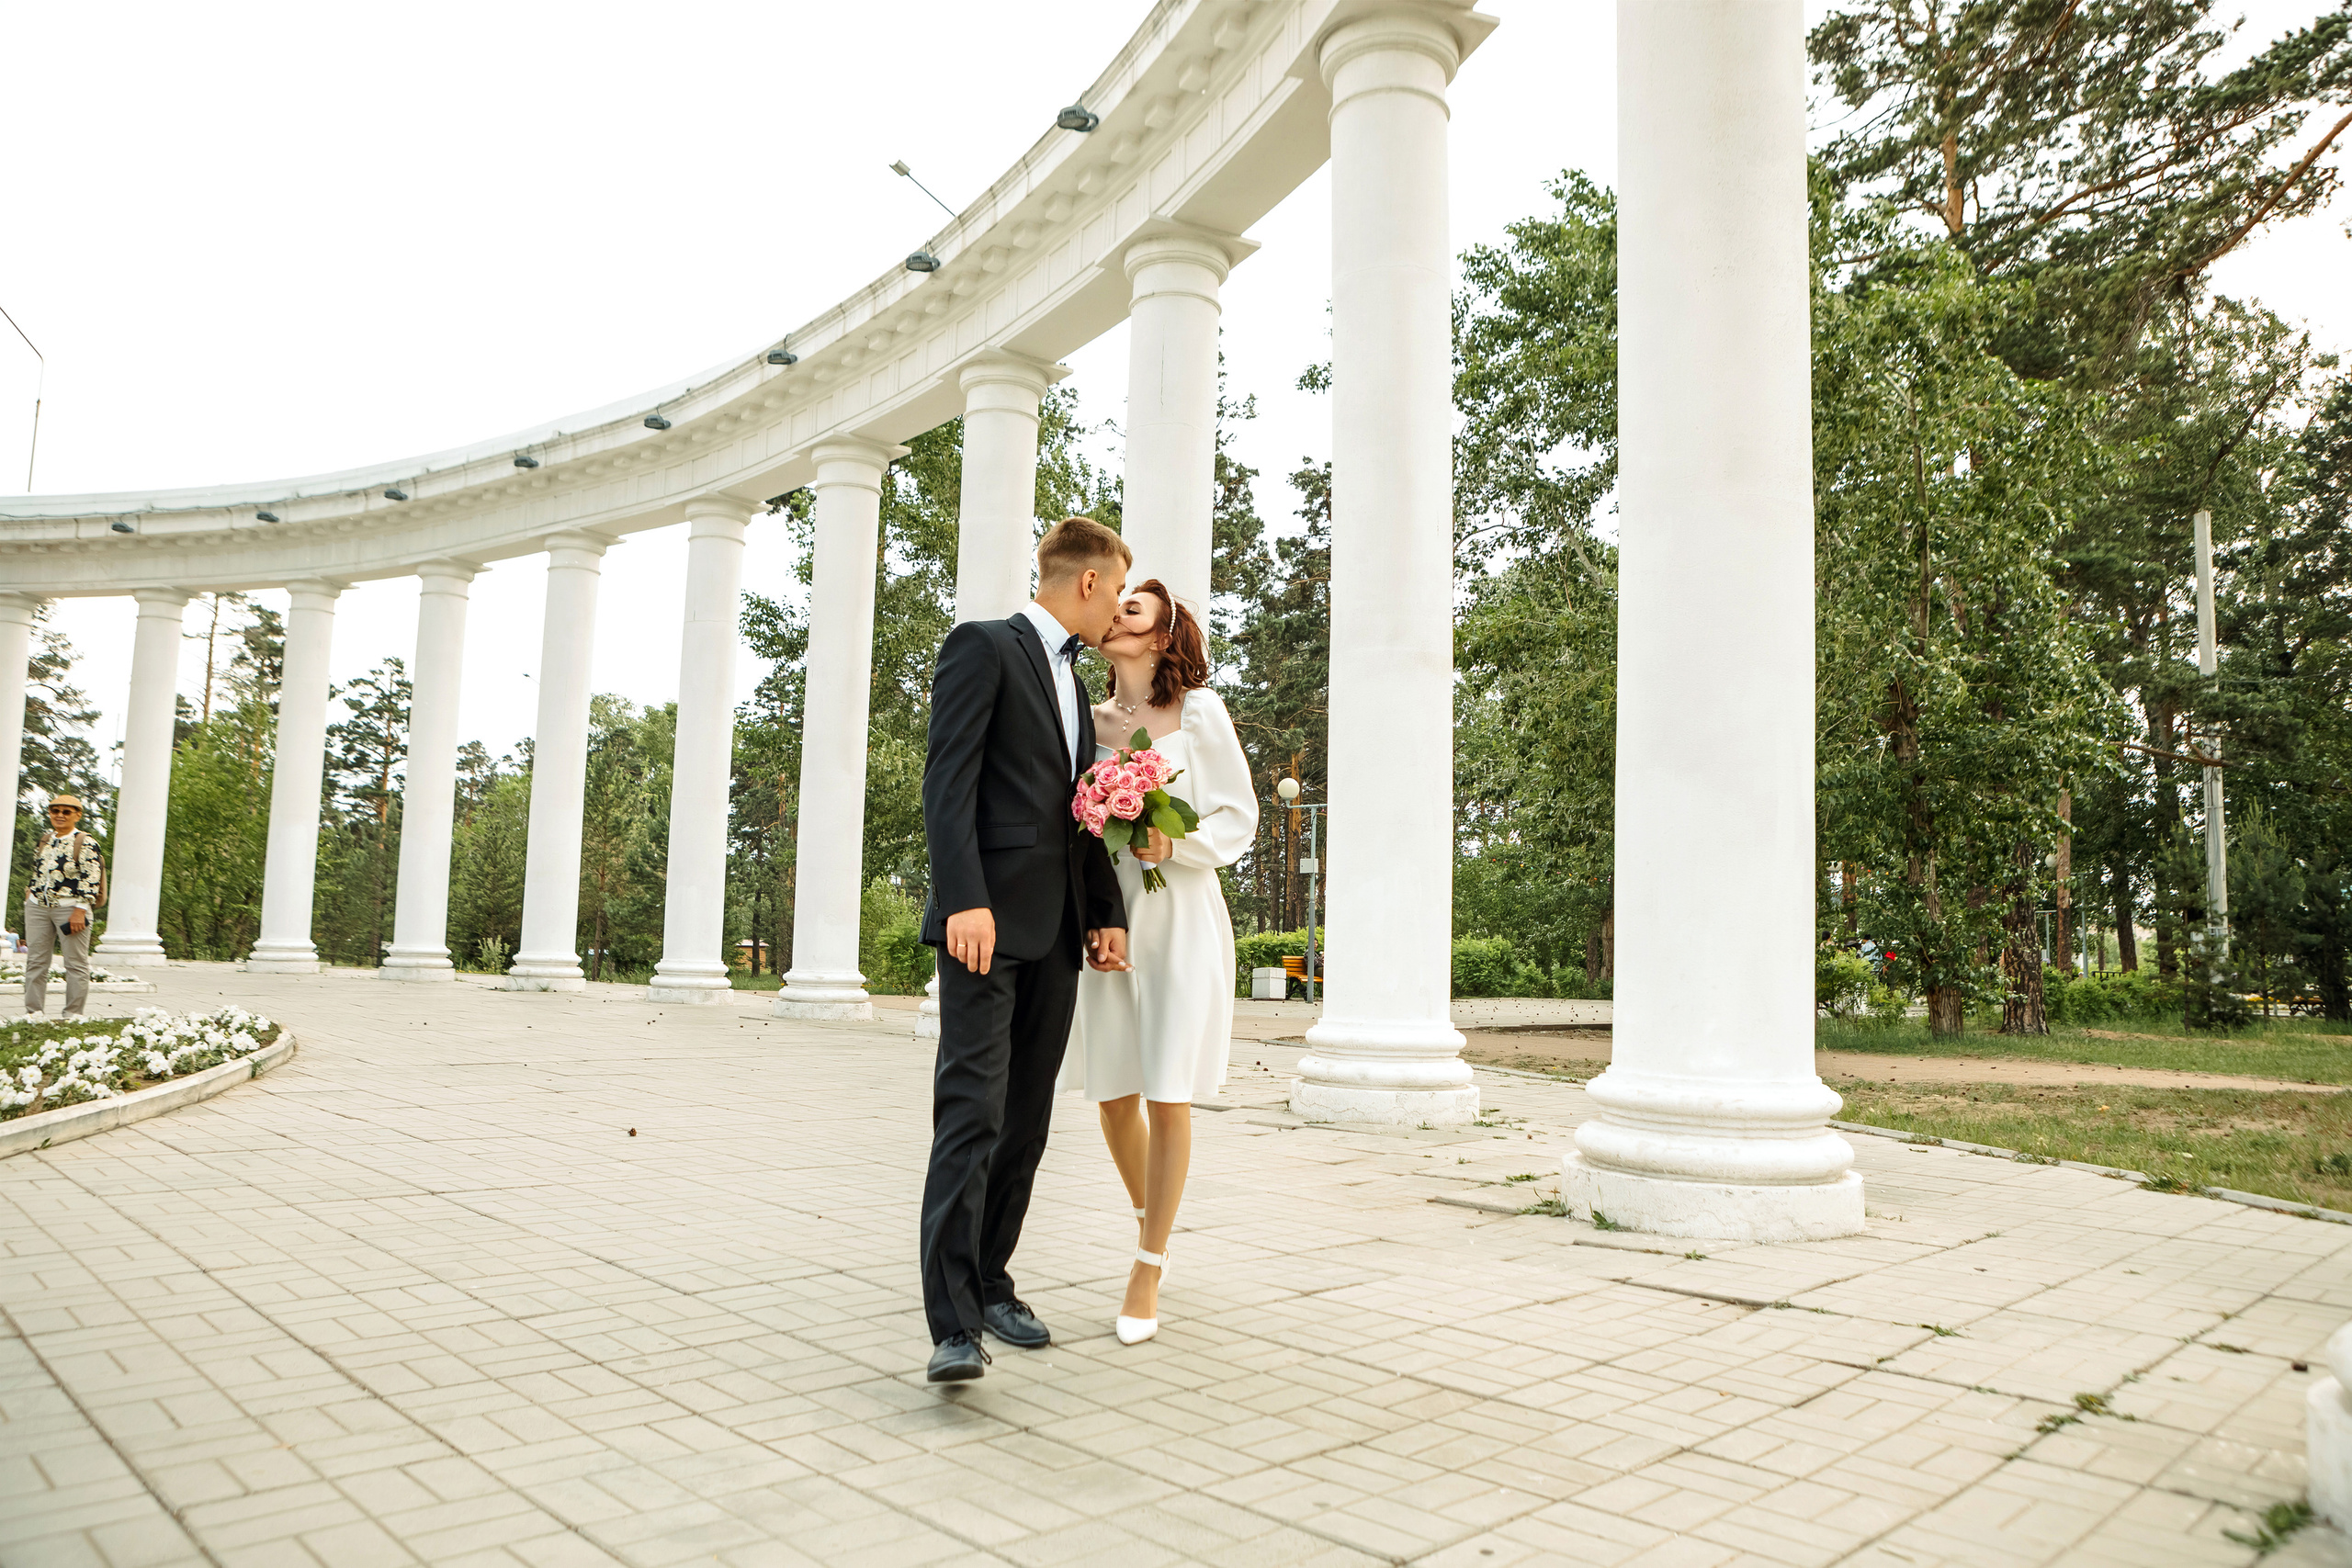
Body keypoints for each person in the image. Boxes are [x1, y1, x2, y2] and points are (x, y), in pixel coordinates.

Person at [917, 516, 1132, 1383]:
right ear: (1086, 582)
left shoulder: (1076, 688)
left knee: (1027, 1120)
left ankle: (996, 1281)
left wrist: (1104, 909)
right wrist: (963, 897)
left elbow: (1079, 811)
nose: (1118, 607)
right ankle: (953, 1325)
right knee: (971, 1111)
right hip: (985, 927)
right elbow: (949, 778)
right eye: (1116, 589)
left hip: (1056, 936)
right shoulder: (982, 646)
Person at [1062, 581, 1259, 1345]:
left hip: (1177, 911)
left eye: (1132, 611)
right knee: (1115, 1090)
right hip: (1109, 920)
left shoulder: (1201, 711)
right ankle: (1155, 1216)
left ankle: (1148, 1263)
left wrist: (1173, 842)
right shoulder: (1091, 718)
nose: (1114, 616)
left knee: (1167, 1090)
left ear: (1165, 634)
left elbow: (1239, 812)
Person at [24, 795, 107, 1021]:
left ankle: (72, 1015)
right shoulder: (45, 839)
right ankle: (34, 1014)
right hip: (38, 908)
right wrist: (30, 892)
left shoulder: (86, 841)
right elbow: (38, 870)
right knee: (36, 962)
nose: (60, 815)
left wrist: (80, 909)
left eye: (66, 811)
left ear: (77, 815)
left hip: (71, 909)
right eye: (55, 811)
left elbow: (91, 877)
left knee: (75, 963)